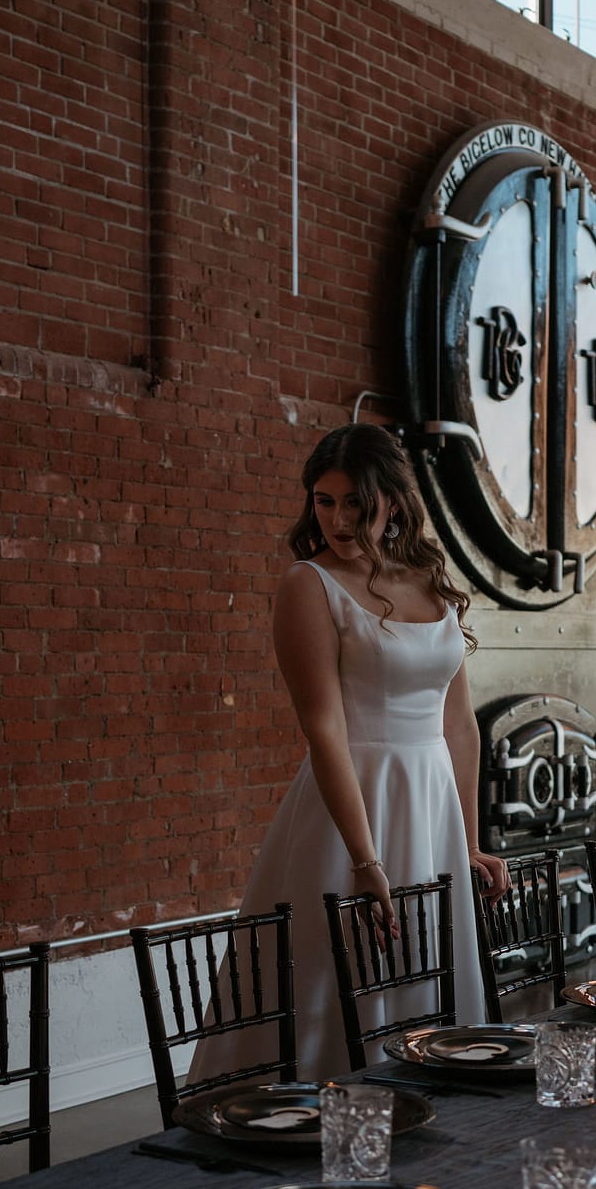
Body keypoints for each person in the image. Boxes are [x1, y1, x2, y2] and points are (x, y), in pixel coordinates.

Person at [218, 422, 510, 1080]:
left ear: (394, 501)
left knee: (431, 979)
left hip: (432, 807)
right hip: (351, 809)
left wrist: (467, 842)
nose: (339, 519)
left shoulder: (430, 578)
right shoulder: (308, 584)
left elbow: (460, 727)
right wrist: (364, 857)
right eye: (324, 501)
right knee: (340, 984)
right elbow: (323, 729)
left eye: (356, 502)